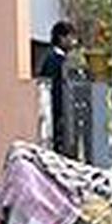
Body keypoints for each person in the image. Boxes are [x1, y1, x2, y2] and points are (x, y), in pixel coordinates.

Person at [39, 20, 78, 157]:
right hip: (56, 111)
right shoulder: (54, 60)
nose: (74, 41)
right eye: (71, 37)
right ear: (61, 38)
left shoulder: (58, 59)